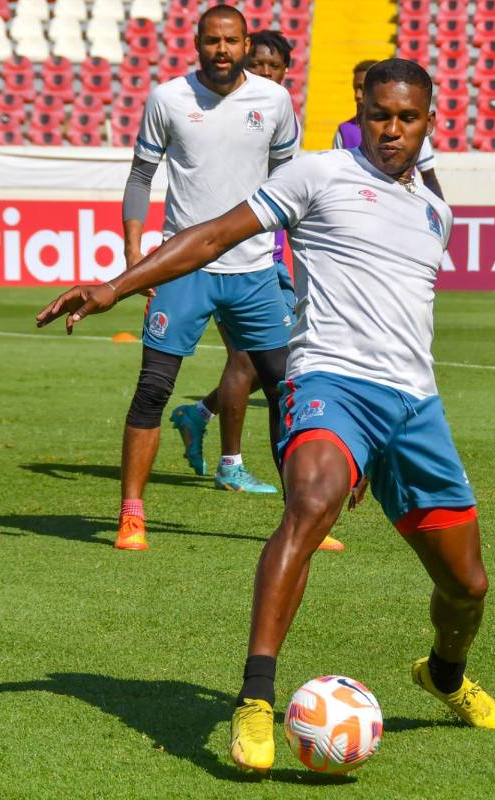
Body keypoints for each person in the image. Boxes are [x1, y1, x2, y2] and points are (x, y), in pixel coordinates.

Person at [36, 58, 495, 772]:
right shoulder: (317, 175)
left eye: (408, 118)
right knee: (311, 501)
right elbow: (214, 235)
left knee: (466, 586)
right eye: (380, 115)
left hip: (415, 406)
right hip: (332, 384)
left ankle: (442, 673)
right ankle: (256, 699)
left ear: (429, 123)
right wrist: (114, 285)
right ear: (363, 112)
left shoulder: (434, 214)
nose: (392, 130)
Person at [111, 6, 299, 551]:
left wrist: (300, 260)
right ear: (197, 43)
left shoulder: (276, 101)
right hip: (184, 266)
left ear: (245, 44)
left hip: (256, 268)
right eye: (212, 40)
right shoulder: (168, 98)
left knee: (286, 391)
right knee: (153, 388)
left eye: (232, 41)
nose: (222, 50)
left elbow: (290, 185)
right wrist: (134, 252)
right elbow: (141, 175)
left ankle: (300, 520)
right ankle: (131, 513)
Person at [170, 29, 349, 549]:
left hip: (272, 256)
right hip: (231, 259)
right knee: (249, 361)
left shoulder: (276, 112)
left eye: (275, 66)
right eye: (261, 63)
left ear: (286, 71)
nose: (266, 73)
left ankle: (198, 415)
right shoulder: (229, 108)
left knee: (267, 364)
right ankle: (230, 462)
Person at [334, 59, 445, 199]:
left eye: (363, 88)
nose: (358, 94)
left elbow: (429, 176)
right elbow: (337, 176)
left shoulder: (416, 131)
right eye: (355, 88)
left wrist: (438, 211)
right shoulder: (344, 131)